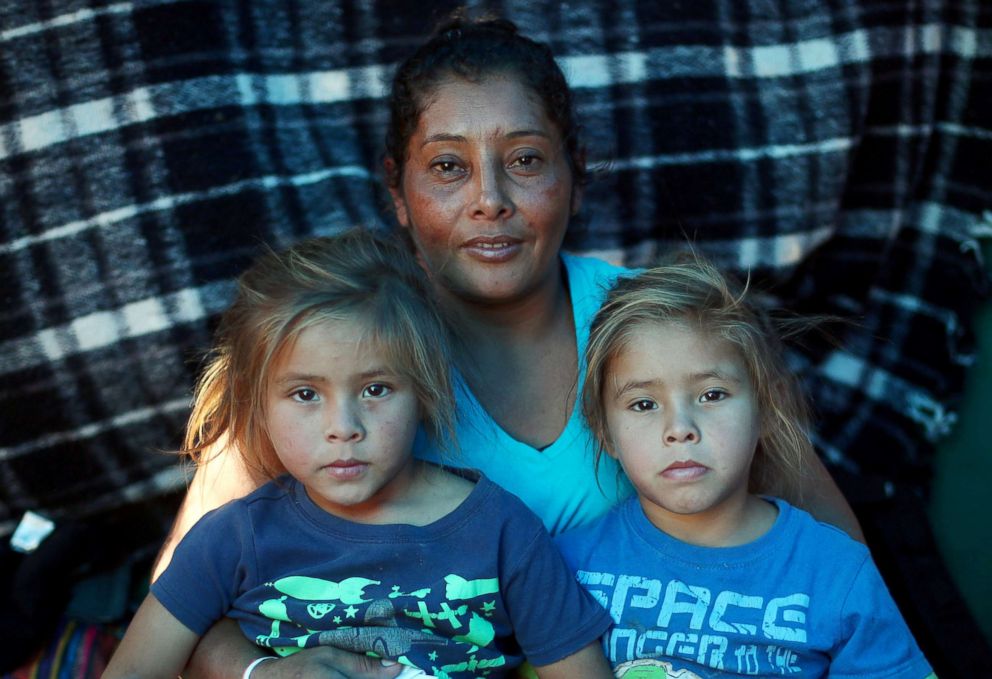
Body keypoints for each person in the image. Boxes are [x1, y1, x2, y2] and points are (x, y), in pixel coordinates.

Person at [161, 12, 863, 679]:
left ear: (575, 173)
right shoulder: (339, 347)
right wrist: (257, 668)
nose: (490, 199)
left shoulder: (669, 328)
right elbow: (178, 599)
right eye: (447, 167)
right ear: (397, 192)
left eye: (525, 159)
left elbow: (843, 564)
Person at [103, 228, 614, 679]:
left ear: (425, 390)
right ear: (256, 403)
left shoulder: (504, 533)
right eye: (305, 394)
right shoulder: (233, 539)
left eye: (375, 390)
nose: (343, 428)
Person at [555, 256, 934, 678]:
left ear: (766, 411)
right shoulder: (567, 567)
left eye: (712, 395)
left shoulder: (835, 572)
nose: (680, 429)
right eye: (644, 404)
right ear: (604, 431)